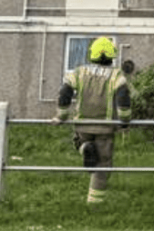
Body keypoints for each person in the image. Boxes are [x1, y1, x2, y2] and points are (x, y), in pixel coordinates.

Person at [53, 36, 132, 205]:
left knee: (79, 143)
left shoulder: (79, 73)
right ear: (112, 57)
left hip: (82, 125)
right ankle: (94, 204)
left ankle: (84, 147)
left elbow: (65, 92)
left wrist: (61, 115)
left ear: (92, 55)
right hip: (105, 127)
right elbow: (124, 100)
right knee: (103, 165)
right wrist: (124, 122)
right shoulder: (117, 76)